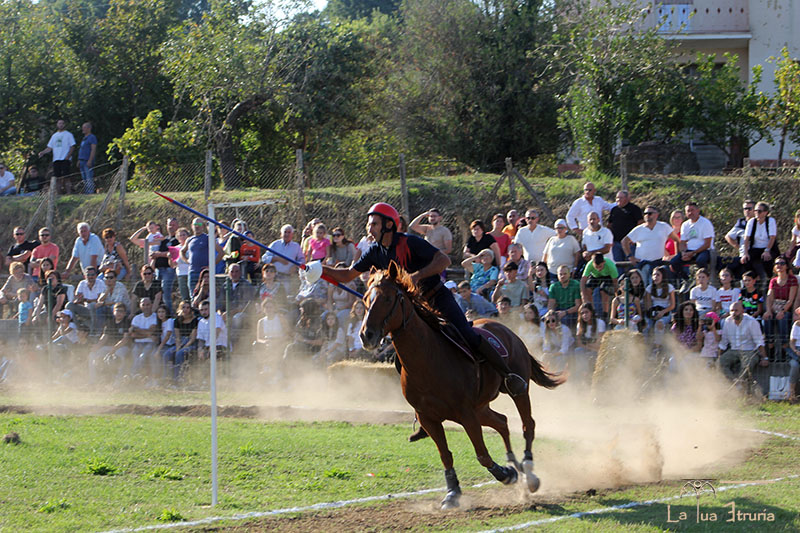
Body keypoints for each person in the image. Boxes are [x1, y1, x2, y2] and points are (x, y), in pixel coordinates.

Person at [318, 202, 527, 396]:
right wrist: (318, 269)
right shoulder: (374, 251)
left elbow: (443, 260)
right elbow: (346, 275)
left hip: (437, 297)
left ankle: (508, 375)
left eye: (373, 223)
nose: (368, 228)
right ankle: (424, 408)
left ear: (389, 225)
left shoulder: (411, 242)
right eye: (369, 223)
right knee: (403, 359)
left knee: (466, 333)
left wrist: (416, 276)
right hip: (413, 308)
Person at [622, 205, 678, 281]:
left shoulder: (664, 226)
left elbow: (677, 240)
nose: (647, 215)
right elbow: (624, 241)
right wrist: (630, 257)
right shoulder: (639, 229)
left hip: (658, 264)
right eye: (645, 213)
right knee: (643, 288)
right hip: (642, 264)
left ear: (656, 215)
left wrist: (676, 255)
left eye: (650, 213)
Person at [718, 302, 767, 384]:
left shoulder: (751, 321)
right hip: (733, 350)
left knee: (747, 365)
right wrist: (719, 356)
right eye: (731, 311)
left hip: (749, 350)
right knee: (720, 363)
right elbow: (724, 342)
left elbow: (759, 341)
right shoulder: (727, 321)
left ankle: (739, 384)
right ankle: (734, 383)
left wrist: (765, 358)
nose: (733, 313)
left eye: (736, 310)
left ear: (742, 311)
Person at [669, 202, 715, 282]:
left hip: (704, 250)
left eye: (692, 210)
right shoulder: (685, 225)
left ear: (698, 211)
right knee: (674, 262)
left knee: (701, 261)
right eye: (688, 211)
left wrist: (693, 253)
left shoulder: (705, 223)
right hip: (689, 250)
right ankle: (687, 280)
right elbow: (682, 242)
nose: (690, 213)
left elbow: (707, 243)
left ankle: (705, 281)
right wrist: (683, 252)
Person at [762, 259, 797, 361]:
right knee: (767, 318)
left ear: (786, 266)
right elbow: (769, 298)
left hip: (786, 308)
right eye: (777, 263)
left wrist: (783, 311)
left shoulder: (792, 279)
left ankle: (784, 348)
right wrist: (768, 310)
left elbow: (791, 300)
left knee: (783, 319)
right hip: (774, 307)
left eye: (782, 263)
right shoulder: (773, 281)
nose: (779, 265)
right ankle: (771, 347)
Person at [180, 217, 224, 290]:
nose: (197, 226)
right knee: (193, 295)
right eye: (195, 224)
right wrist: (187, 261)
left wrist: (211, 265)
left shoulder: (208, 238)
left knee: (206, 295)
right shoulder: (189, 239)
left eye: (199, 224)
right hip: (192, 272)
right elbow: (182, 251)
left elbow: (221, 253)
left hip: (205, 273)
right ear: (192, 226)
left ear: (203, 226)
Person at [740, 201, 779, 282]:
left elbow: (772, 237)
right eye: (755, 211)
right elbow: (746, 238)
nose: (757, 213)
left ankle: (768, 279)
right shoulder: (751, 222)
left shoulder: (770, 221)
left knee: (766, 259)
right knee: (746, 260)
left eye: (759, 211)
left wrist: (767, 250)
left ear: (766, 212)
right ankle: (751, 279)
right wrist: (745, 253)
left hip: (768, 248)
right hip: (755, 248)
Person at [264, 224, 304, 294]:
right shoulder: (275, 244)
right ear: (281, 234)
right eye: (285, 232)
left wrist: (295, 266)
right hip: (274, 277)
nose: (287, 234)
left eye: (289, 232)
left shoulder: (296, 246)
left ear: (292, 234)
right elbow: (264, 258)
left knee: (285, 296)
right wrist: (277, 259)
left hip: (288, 277)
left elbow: (302, 260)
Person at [66, 266, 106, 335]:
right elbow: (77, 297)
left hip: (97, 309)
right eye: (88, 275)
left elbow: (100, 299)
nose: (90, 277)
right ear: (85, 276)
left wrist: (86, 300)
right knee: (69, 305)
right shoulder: (82, 283)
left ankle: (93, 332)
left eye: (92, 275)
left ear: (96, 275)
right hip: (85, 309)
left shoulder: (100, 283)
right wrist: (78, 300)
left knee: (92, 305)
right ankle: (78, 327)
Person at [38, 119, 76, 190]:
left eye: (62, 123)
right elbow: (49, 148)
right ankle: (58, 194)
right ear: (57, 125)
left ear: (64, 125)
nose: (61, 125)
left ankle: (68, 192)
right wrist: (42, 152)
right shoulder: (54, 136)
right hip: (56, 159)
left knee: (66, 177)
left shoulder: (68, 134)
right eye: (59, 123)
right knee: (57, 177)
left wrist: (68, 156)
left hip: (65, 159)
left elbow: (72, 146)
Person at [607, 190, 643, 262]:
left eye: (621, 198)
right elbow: (609, 225)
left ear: (627, 198)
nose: (618, 200)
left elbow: (640, 223)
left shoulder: (634, 209)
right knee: (618, 264)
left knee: (631, 264)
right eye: (617, 198)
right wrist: (610, 239)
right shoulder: (614, 210)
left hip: (629, 243)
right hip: (616, 243)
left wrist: (635, 238)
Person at [723, 200, 756, 277]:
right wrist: (738, 246)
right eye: (745, 209)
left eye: (749, 208)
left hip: (756, 254)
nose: (747, 211)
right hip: (743, 256)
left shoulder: (759, 222)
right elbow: (728, 236)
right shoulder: (741, 223)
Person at [580, 252, 618, 317]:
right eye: (596, 267)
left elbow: (615, 281)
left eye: (600, 266)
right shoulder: (589, 264)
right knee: (587, 289)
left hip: (607, 276)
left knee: (604, 291)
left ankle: (605, 314)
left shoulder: (610, 265)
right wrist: (583, 295)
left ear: (604, 262)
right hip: (595, 276)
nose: (599, 269)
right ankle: (592, 311)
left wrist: (616, 294)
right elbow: (583, 280)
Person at [644, 266, 675, 341]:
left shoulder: (669, 287)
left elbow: (672, 305)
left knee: (659, 323)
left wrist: (662, 312)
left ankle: (657, 347)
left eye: (658, 275)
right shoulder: (649, 288)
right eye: (654, 275)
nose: (655, 277)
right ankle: (645, 345)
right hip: (653, 311)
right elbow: (648, 305)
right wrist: (653, 314)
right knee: (647, 325)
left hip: (665, 312)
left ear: (663, 276)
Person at [77, 122, 97, 194]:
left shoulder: (92, 137)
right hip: (82, 160)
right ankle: (86, 192)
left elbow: (93, 149)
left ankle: (90, 192)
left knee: (89, 177)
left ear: (89, 128)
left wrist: (90, 160)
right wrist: (79, 160)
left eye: (85, 127)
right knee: (84, 178)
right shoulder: (84, 138)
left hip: (87, 160)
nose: (83, 129)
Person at [786, 306, 800, 403]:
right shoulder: (797, 325)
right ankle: (792, 394)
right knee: (795, 365)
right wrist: (796, 351)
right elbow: (791, 343)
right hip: (796, 352)